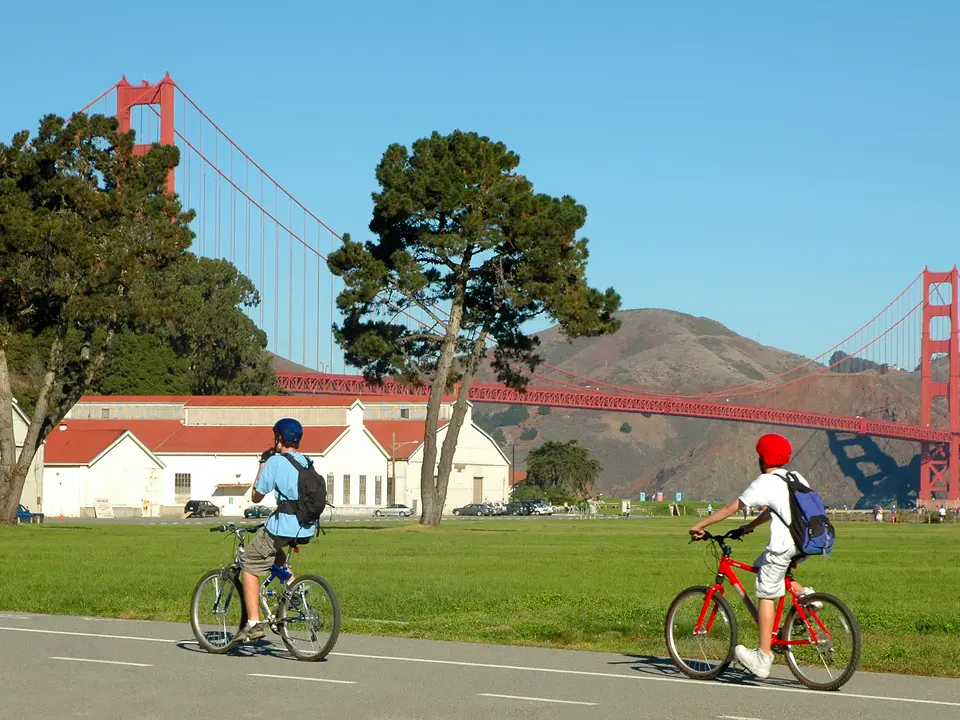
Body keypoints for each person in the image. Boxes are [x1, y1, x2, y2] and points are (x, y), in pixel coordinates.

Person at [688, 433, 818, 680]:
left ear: (762, 458)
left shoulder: (765, 481)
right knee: (762, 566)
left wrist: (700, 525)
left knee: (765, 591)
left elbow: (730, 509)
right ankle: (805, 596)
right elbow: (775, 510)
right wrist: (751, 527)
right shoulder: (794, 476)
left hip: (784, 545)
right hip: (807, 541)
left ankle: (762, 657)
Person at [237, 418, 318, 642]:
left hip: (283, 525)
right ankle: (295, 591)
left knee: (250, 564)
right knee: (275, 553)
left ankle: (253, 623)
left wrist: (263, 465)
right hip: (306, 527)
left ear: (278, 439)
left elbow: (256, 496)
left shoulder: (274, 462)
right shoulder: (306, 461)